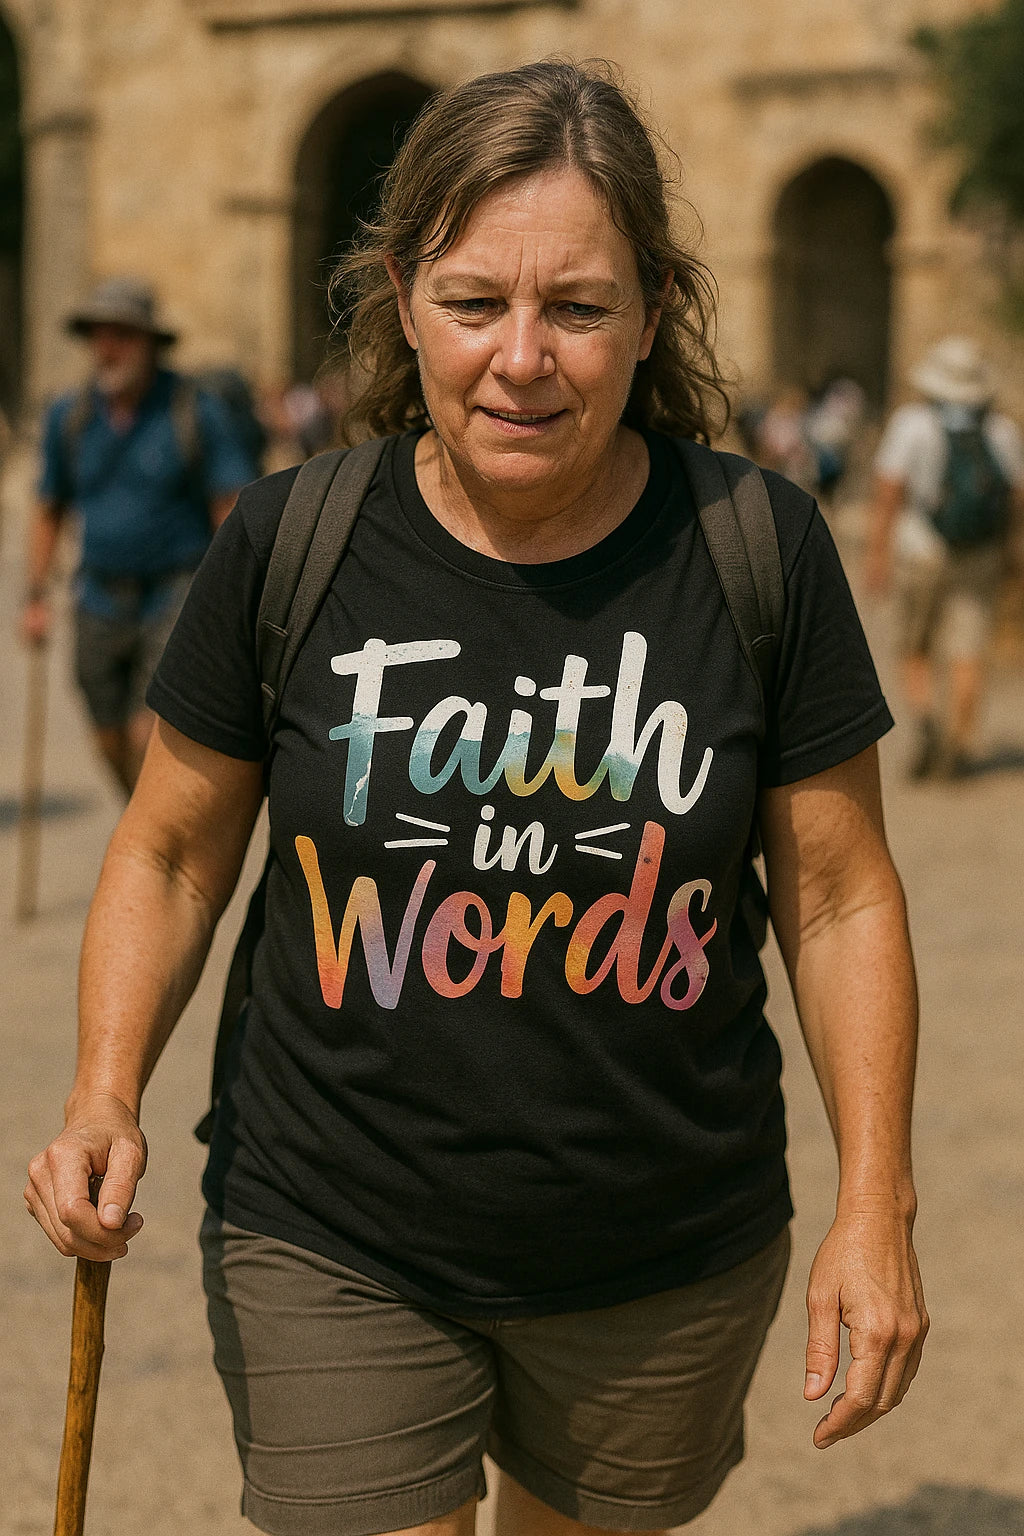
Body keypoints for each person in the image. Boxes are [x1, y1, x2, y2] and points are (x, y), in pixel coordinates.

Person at [25, 62, 927, 1536]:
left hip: (663, 1248)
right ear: (400, 296)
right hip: (331, 1222)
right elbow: (173, 852)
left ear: (652, 310)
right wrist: (103, 1089)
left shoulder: (758, 549)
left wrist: (875, 1207)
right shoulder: (292, 541)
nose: (522, 358)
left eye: (577, 307)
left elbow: (840, 897)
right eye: (472, 301)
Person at [20, 277, 260, 796]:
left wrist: (233, 598)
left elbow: (230, 506)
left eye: (122, 335)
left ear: (150, 343)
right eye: (98, 336)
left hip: (174, 593)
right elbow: (49, 507)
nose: (107, 348)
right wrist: (35, 596)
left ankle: (153, 841)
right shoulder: (72, 416)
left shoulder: (192, 409)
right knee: (108, 736)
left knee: (149, 732)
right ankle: (148, 823)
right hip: (99, 596)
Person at [868, 335, 1024, 778]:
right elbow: (1017, 499)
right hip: (981, 555)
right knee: (968, 650)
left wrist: (876, 558)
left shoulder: (912, 423)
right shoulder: (1003, 431)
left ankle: (926, 720)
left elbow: (888, 495)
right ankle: (959, 742)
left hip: (920, 552)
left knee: (915, 646)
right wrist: (1014, 557)